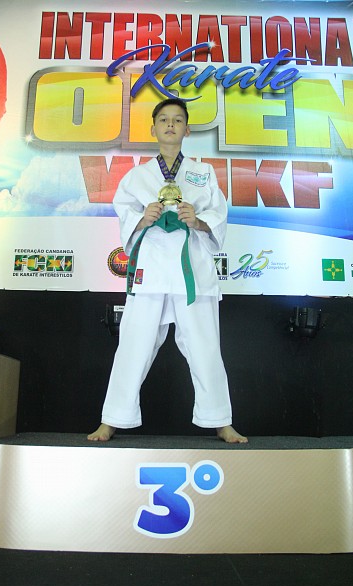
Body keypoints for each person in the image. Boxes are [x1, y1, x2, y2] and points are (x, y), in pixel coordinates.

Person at [88, 98, 247, 444]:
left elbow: (218, 213)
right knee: (133, 346)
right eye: (164, 119)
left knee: (205, 348)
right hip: (152, 270)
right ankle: (112, 419)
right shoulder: (137, 176)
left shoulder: (203, 173)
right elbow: (123, 210)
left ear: (187, 130)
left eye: (177, 120)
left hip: (193, 271)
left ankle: (220, 421)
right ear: (153, 128)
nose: (170, 125)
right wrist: (141, 218)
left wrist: (199, 221)